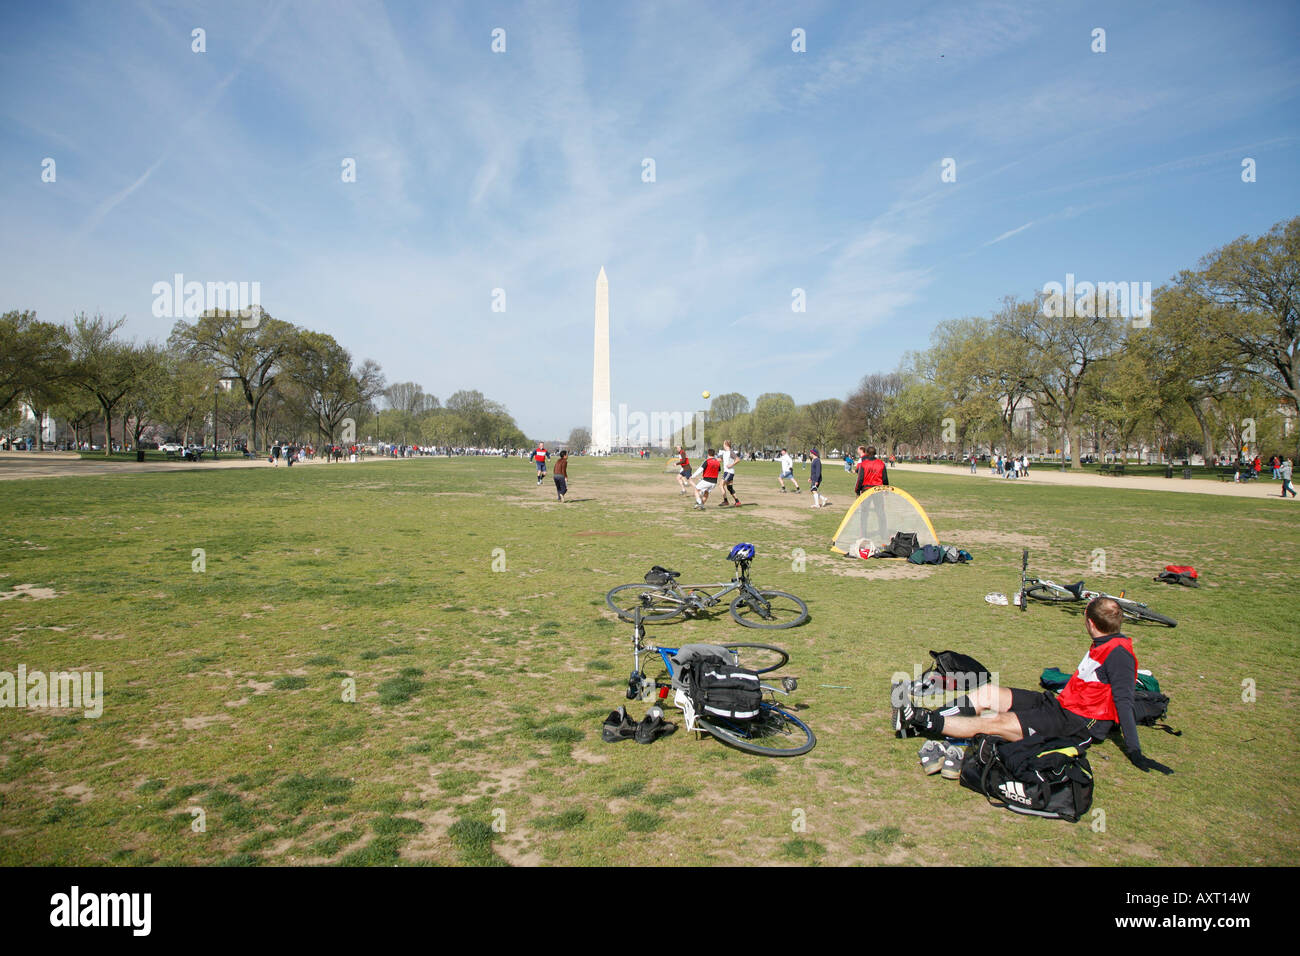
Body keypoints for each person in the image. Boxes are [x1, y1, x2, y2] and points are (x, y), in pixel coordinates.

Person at [894, 597, 1171, 774]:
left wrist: (1135, 751)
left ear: (1089, 622)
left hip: (1075, 722)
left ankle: (922, 720)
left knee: (995, 722)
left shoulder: (1119, 655)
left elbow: (1124, 702)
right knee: (989, 693)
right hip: (1059, 703)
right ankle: (921, 719)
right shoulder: (1105, 642)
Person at [717, 440, 742, 507]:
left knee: (721, 485)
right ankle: (737, 502)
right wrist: (711, 459)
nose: (723, 445)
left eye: (723, 444)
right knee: (729, 488)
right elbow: (720, 460)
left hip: (729, 472)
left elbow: (738, 459)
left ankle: (725, 501)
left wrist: (731, 465)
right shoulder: (725, 453)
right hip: (728, 472)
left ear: (726, 444)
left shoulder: (731, 452)